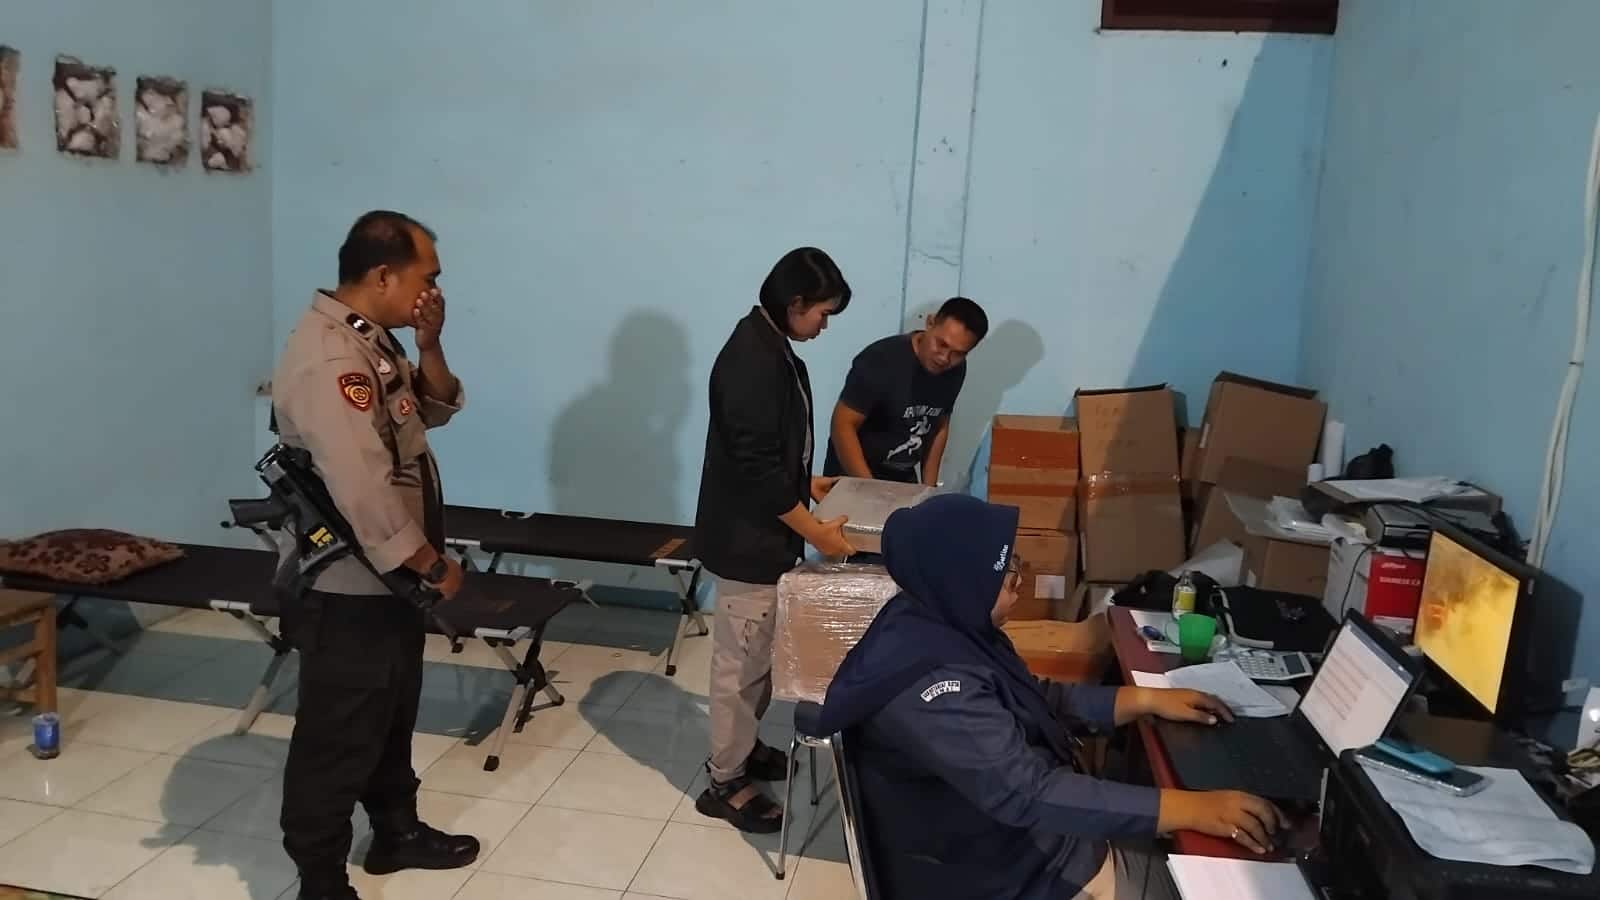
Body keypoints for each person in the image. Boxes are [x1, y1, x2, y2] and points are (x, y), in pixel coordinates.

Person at [818, 494, 1288, 899]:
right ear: (962, 578)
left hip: (1008, 832)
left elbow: (1033, 700)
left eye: (1015, 563)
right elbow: (1027, 793)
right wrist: (1193, 808)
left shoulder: (942, 620)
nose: (1019, 580)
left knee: (1168, 831)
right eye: (1005, 572)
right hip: (998, 869)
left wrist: (1144, 700)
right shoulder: (935, 691)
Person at [271, 210, 480, 900]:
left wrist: (430, 344)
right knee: (338, 735)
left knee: (389, 717)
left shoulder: (370, 340)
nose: (434, 290)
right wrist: (429, 564)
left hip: (384, 584)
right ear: (384, 275)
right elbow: (359, 483)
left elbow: (430, 410)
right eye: (428, 277)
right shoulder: (331, 356)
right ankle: (320, 880)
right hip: (348, 584)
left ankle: (396, 832)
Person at [693, 247, 858, 833]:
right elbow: (755, 466)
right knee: (739, 669)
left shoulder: (771, 345)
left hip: (764, 535)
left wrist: (805, 482)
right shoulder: (752, 360)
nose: (824, 325)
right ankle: (724, 782)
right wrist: (816, 532)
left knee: (758, 657)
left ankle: (743, 750)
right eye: (823, 314)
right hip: (747, 541)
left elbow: (766, 447)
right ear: (795, 303)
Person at [823, 296, 988, 486]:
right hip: (853, 474)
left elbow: (939, 425)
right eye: (941, 344)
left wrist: (929, 489)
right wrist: (870, 489)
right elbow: (842, 425)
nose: (944, 358)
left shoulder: (956, 369)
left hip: (902, 477)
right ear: (930, 323)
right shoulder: (880, 359)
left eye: (958, 353)